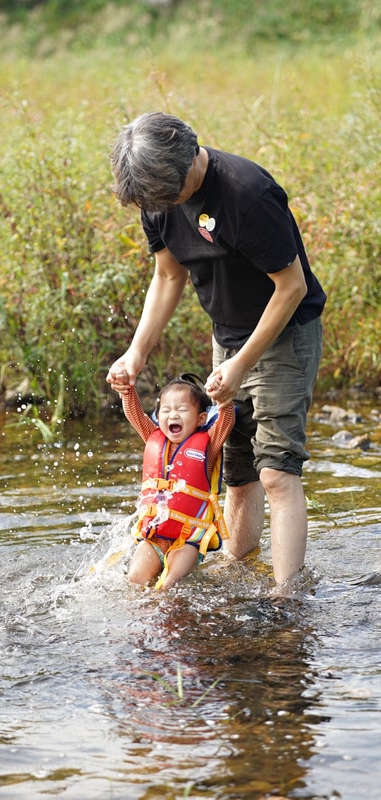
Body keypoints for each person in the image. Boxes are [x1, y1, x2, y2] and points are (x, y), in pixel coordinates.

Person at [107, 111, 326, 591]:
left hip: (284, 335)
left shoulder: (247, 195)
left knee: (277, 471)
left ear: (186, 166)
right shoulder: (156, 196)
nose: (159, 207)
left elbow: (291, 287)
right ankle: (239, 562)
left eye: (165, 195)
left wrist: (242, 363)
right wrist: (136, 352)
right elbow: (168, 275)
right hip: (227, 339)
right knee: (235, 465)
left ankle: (287, 596)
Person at [111, 372, 235, 589]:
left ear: (200, 419)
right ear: (159, 417)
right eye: (166, 410)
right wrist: (127, 389)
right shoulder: (153, 435)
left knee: (169, 586)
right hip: (153, 537)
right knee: (135, 580)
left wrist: (224, 398)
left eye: (182, 410)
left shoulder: (208, 445)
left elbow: (227, 420)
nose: (173, 415)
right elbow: (135, 414)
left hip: (187, 540)